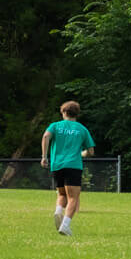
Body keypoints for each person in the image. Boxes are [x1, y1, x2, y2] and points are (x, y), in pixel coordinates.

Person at [41, 100, 96, 237]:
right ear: (76, 113)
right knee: (73, 197)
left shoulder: (55, 126)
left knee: (61, 194)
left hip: (57, 165)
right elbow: (91, 151)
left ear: (63, 112)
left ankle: (58, 211)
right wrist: (81, 154)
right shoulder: (82, 129)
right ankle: (65, 225)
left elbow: (46, 136)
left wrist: (44, 157)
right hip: (73, 165)